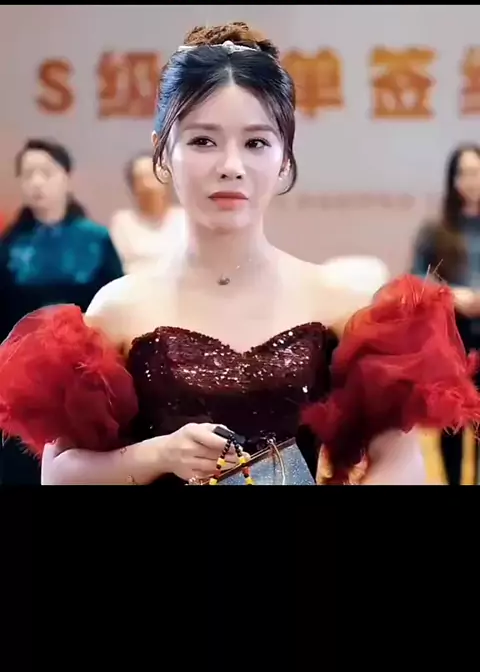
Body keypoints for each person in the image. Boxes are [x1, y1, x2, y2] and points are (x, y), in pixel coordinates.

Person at [0, 24, 479, 487]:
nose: (231, 166)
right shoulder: (120, 308)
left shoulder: (338, 302)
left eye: (255, 143)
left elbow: (400, 460)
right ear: (162, 152)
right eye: (203, 141)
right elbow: (58, 473)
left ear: (285, 157)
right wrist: (157, 455)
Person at [0, 138, 124, 484]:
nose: (36, 182)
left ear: (67, 177)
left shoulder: (96, 238)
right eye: (28, 174)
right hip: (20, 379)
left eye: (46, 172)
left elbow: (116, 303)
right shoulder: (10, 244)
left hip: (82, 375)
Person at [410, 144, 480, 484]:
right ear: (452, 180)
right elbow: (416, 278)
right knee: (451, 424)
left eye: (476, 172)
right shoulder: (435, 230)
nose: (471, 180)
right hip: (451, 338)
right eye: (463, 173)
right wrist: (450, 295)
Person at [110, 151, 186, 274]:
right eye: (141, 178)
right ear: (133, 189)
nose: (149, 185)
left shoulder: (187, 220)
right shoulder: (122, 223)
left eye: (154, 177)